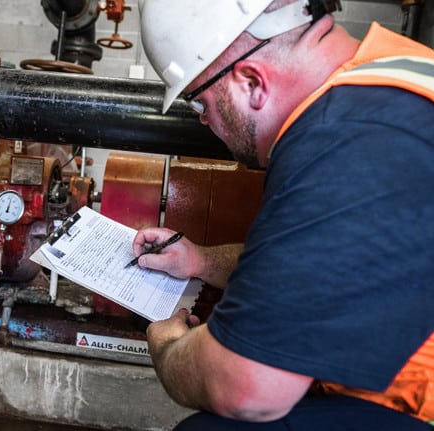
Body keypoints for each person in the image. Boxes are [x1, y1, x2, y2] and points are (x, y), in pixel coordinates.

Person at [134, 0, 434, 429]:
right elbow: (326, 265)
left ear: (252, 82)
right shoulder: (389, 76)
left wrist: (167, 348)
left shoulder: (348, 143)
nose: (204, 123)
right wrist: (200, 261)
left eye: (201, 104)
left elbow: (246, 387)